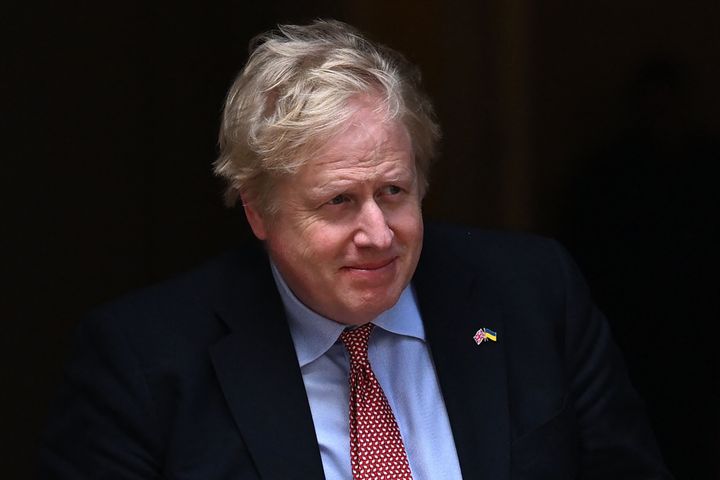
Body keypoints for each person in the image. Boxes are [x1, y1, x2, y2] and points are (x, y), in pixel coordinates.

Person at [39, 20, 673, 479]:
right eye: (338, 202)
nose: (378, 233)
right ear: (259, 211)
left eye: (393, 191)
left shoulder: (533, 294)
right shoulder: (143, 361)